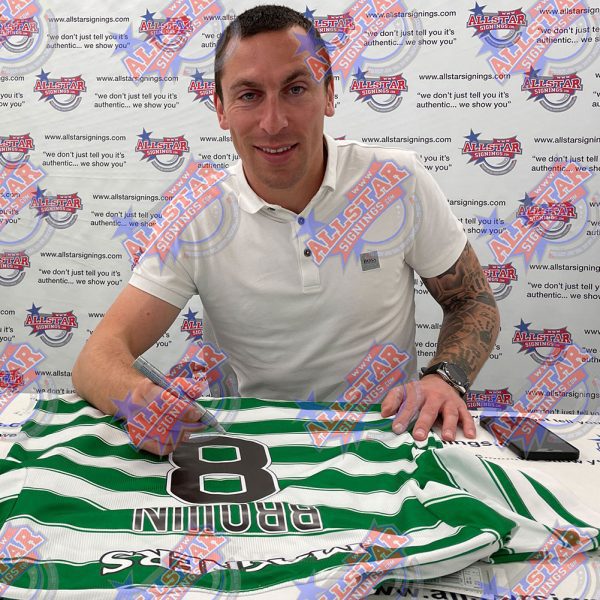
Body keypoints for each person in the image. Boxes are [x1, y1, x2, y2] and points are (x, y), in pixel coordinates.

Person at [72, 5, 500, 455]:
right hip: (251, 448)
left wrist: (444, 378)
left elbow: (471, 300)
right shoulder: (197, 212)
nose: (273, 122)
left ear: (329, 95)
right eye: (249, 95)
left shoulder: (396, 180)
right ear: (220, 108)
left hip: (388, 441)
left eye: (295, 89)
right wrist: (139, 399)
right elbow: (96, 358)